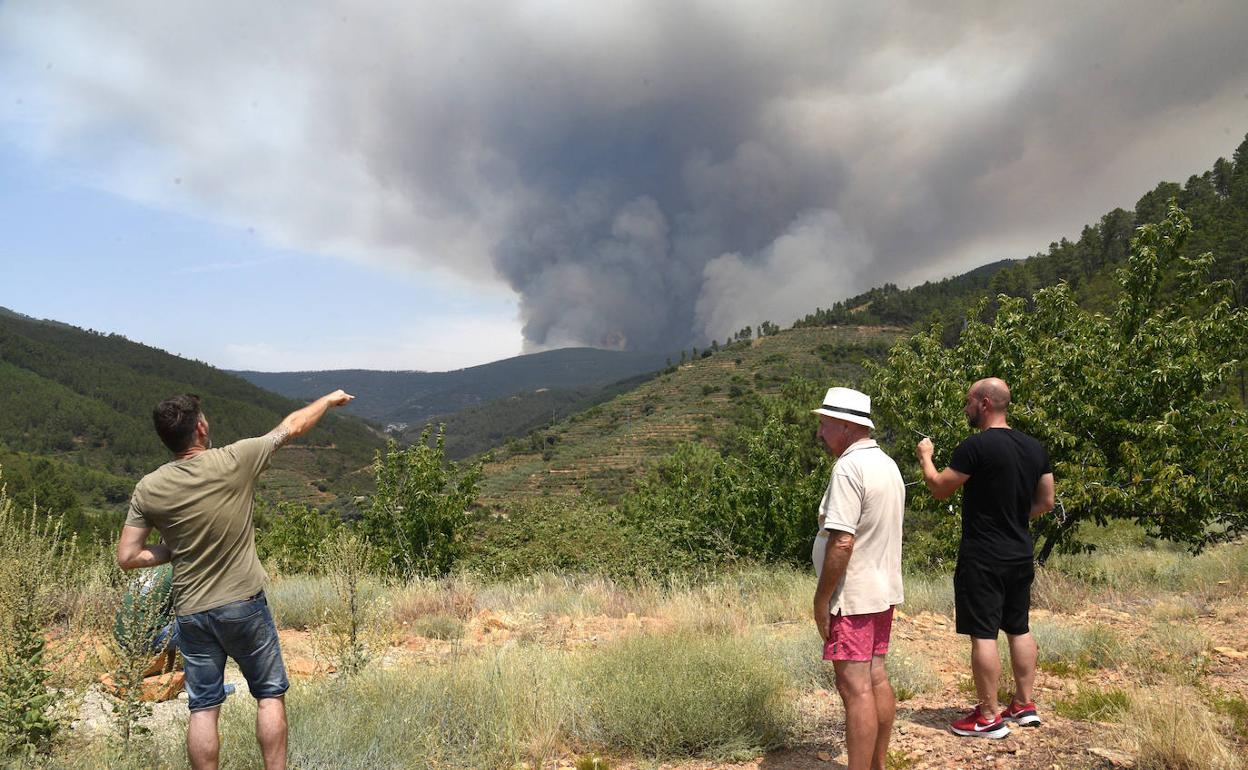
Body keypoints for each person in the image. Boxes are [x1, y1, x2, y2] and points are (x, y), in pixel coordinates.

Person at [116, 390, 354, 770]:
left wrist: (175, 549)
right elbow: (290, 428)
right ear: (201, 427)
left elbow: (128, 556)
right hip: (243, 604)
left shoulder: (149, 487)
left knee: (203, 708)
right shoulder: (234, 459)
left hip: (191, 611)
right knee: (269, 695)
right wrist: (326, 401)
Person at [915, 377, 1054, 739]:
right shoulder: (1035, 447)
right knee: (1019, 627)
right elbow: (1047, 502)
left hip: (983, 555)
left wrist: (925, 458)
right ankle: (1024, 705)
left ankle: (988, 715)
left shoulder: (974, 448)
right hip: (1020, 552)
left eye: (969, 402)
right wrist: (1015, 519)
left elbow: (940, 489)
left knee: (983, 633)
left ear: (985, 403)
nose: (966, 408)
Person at [811, 387, 906, 770]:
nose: (819, 433)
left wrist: (822, 599)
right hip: (881, 592)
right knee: (876, 678)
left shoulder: (849, 468)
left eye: (824, 423)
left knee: (856, 688)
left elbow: (842, 541)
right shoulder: (888, 464)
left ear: (847, 426)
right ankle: (877, 764)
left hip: (853, 596)